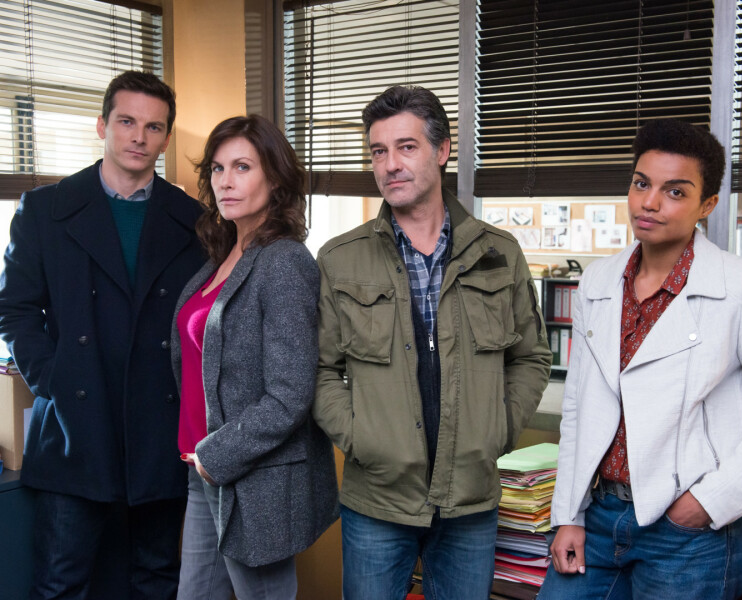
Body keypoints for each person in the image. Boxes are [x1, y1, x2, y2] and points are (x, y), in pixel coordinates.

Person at [539, 119, 742, 599]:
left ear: (708, 205)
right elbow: (578, 407)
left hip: (687, 536)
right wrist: (568, 514)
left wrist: (705, 503)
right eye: (642, 184)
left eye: (675, 191)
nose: (650, 202)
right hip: (597, 517)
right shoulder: (597, 281)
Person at [313, 85, 552, 600]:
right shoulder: (339, 258)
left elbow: (531, 357)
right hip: (376, 498)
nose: (390, 165)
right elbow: (320, 369)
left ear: (442, 150)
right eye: (379, 151)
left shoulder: (499, 253)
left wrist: (498, 429)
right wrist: (360, 438)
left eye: (406, 147)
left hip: (471, 499)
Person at [0, 71, 206, 599]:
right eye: (126, 121)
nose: (139, 137)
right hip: (75, 424)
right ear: (102, 125)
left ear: (166, 138)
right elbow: (15, 309)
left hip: (159, 426)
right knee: (60, 583)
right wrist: (54, 380)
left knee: (155, 578)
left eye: (153, 127)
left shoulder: (193, 220)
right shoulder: (45, 210)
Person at [173, 115, 339, 600]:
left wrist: (215, 456)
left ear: (276, 178)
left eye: (242, 167)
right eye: (218, 168)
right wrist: (203, 458)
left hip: (250, 478)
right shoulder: (225, 253)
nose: (225, 181)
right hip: (202, 465)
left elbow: (290, 395)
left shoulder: (284, 262)